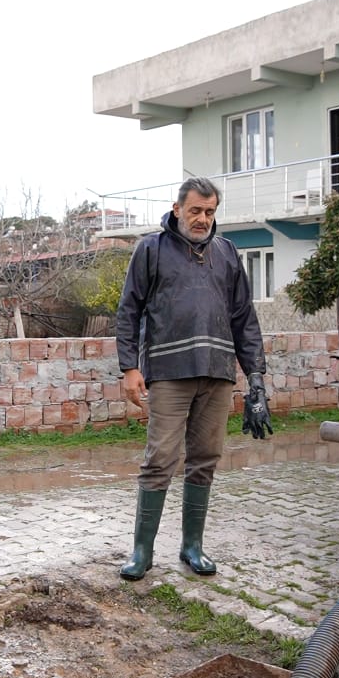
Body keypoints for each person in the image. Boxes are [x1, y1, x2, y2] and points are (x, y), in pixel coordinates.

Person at [112, 176, 269, 582]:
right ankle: (142, 552)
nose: (202, 219)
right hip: (168, 373)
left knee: (204, 460)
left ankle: (192, 546)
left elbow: (243, 318)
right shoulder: (151, 249)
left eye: (210, 212)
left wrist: (256, 378)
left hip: (217, 374)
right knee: (160, 459)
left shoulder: (228, 253)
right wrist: (130, 367)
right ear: (177, 208)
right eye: (195, 210)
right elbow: (129, 310)